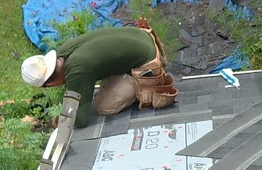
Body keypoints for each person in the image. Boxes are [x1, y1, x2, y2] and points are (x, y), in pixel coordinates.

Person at [21, 21, 178, 126]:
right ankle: (125, 73)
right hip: (142, 36)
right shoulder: (64, 51)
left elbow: (81, 119)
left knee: (102, 106)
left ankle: (138, 86)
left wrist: (57, 122)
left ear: (51, 83)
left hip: (148, 62)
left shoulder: (77, 69)